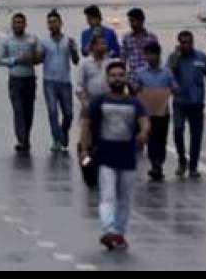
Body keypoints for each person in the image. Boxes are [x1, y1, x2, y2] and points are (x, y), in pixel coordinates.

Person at [80, 60, 149, 251]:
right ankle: (109, 229)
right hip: (105, 157)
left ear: (126, 78)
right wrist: (85, 150)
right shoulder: (99, 102)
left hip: (128, 158)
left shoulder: (134, 103)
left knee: (125, 198)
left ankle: (119, 233)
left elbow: (145, 122)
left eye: (120, 75)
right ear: (107, 79)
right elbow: (86, 126)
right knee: (108, 195)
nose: (117, 79)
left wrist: (143, 133)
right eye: (113, 76)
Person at [169, 30, 206, 178]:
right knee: (178, 131)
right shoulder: (174, 58)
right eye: (183, 42)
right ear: (179, 43)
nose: (186, 45)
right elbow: (168, 73)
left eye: (189, 42)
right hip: (179, 102)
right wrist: (176, 58)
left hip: (196, 102)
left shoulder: (201, 57)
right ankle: (182, 160)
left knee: (196, 135)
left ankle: (193, 167)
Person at [38, 10, 80, 152]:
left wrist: (73, 50)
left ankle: (64, 131)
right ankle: (56, 139)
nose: (52, 25)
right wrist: (37, 55)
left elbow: (75, 61)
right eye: (50, 22)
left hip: (65, 82)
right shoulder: (44, 42)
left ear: (61, 23)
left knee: (68, 113)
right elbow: (39, 59)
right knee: (52, 111)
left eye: (55, 22)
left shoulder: (68, 40)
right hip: (49, 81)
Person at [0, 13, 41, 153]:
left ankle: (26, 136)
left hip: (29, 78)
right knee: (18, 110)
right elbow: (1, 60)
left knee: (28, 111)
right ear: (12, 25)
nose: (18, 25)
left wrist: (32, 58)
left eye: (20, 23)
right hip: (15, 80)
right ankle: (21, 139)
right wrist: (16, 60)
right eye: (15, 23)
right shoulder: (7, 41)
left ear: (25, 24)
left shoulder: (32, 40)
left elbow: (39, 58)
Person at [137, 42, 176, 181]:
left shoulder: (167, 72)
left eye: (154, 54)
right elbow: (136, 89)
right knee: (151, 138)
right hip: (147, 112)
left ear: (159, 56)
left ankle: (159, 162)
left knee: (161, 138)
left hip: (162, 111)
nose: (151, 57)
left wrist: (174, 90)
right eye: (148, 54)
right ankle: (155, 164)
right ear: (145, 56)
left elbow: (174, 87)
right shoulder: (140, 73)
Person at [120, 7, 157, 91]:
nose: (131, 24)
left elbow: (156, 59)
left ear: (141, 21)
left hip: (149, 78)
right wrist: (124, 78)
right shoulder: (127, 38)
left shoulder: (151, 37)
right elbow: (123, 59)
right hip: (133, 79)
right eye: (130, 21)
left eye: (133, 21)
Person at [76, 33, 112, 109]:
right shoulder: (85, 63)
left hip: (108, 103)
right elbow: (79, 86)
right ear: (94, 46)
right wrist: (85, 103)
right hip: (90, 102)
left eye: (105, 44)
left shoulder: (110, 63)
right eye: (102, 44)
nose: (105, 46)